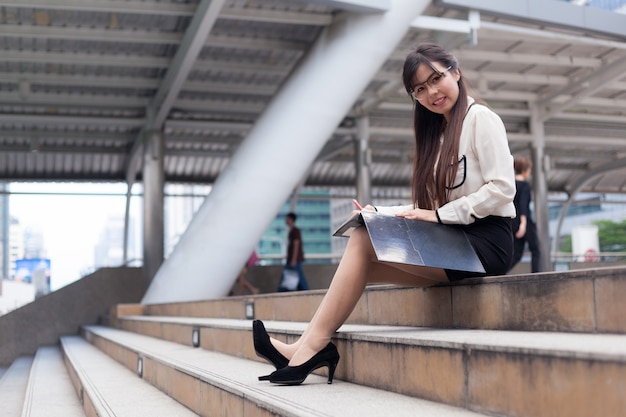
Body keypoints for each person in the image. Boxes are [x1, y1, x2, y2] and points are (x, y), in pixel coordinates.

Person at [253, 42, 516, 385]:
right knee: (365, 246)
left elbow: (501, 188)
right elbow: (429, 209)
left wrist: (438, 217)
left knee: (363, 240)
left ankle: (311, 348)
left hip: (487, 243)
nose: (431, 92)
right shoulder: (438, 138)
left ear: (456, 72)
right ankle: (303, 347)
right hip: (456, 241)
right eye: (419, 89)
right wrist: (383, 212)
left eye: (436, 79)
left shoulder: (481, 118)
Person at [510, 156, 541, 273]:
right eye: (529, 170)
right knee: (536, 250)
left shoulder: (511, 184)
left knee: (517, 254)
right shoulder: (525, 185)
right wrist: (523, 224)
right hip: (524, 222)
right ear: (525, 170)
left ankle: (499, 273)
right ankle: (536, 276)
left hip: (512, 222)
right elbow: (523, 205)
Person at [277, 212, 310, 292]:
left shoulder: (295, 231)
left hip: (295, 259)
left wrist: (293, 260)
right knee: (296, 276)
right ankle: (304, 291)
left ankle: (305, 291)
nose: (286, 220)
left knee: (295, 276)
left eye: (287, 219)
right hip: (292, 259)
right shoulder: (292, 231)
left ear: (291, 220)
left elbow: (296, 245)